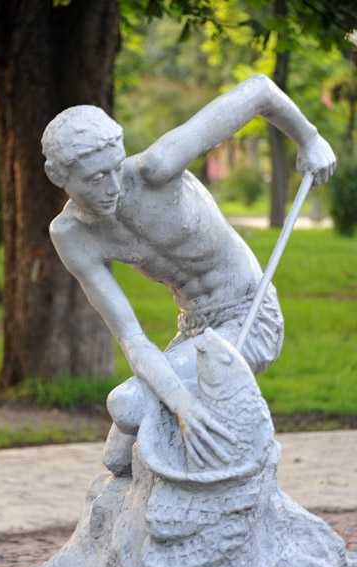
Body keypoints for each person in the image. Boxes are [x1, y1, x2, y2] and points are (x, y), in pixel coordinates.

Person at [42, 74, 336, 468]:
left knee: (128, 405)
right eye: (95, 178)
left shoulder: (157, 168)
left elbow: (260, 90)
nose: (113, 186)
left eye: (114, 167)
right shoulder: (73, 235)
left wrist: (310, 139)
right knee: (118, 460)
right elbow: (131, 337)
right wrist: (182, 404)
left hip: (250, 313)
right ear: (58, 177)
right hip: (193, 329)